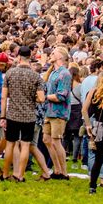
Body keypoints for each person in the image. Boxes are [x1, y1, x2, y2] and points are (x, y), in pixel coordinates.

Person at [0, 45, 45, 182]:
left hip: (13, 113)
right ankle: (20, 174)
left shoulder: (10, 73)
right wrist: (32, 98)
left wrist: (3, 115)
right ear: (30, 57)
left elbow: (3, 97)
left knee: (10, 144)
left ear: (18, 56)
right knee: (25, 145)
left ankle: (6, 173)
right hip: (28, 115)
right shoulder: (36, 76)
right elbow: (41, 98)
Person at [42, 48, 72, 180]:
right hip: (49, 111)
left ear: (60, 56)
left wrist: (44, 97)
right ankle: (57, 169)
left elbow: (62, 95)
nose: (51, 54)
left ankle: (64, 172)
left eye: (53, 53)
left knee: (56, 141)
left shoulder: (64, 74)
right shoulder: (54, 72)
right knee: (46, 140)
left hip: (59, 112)